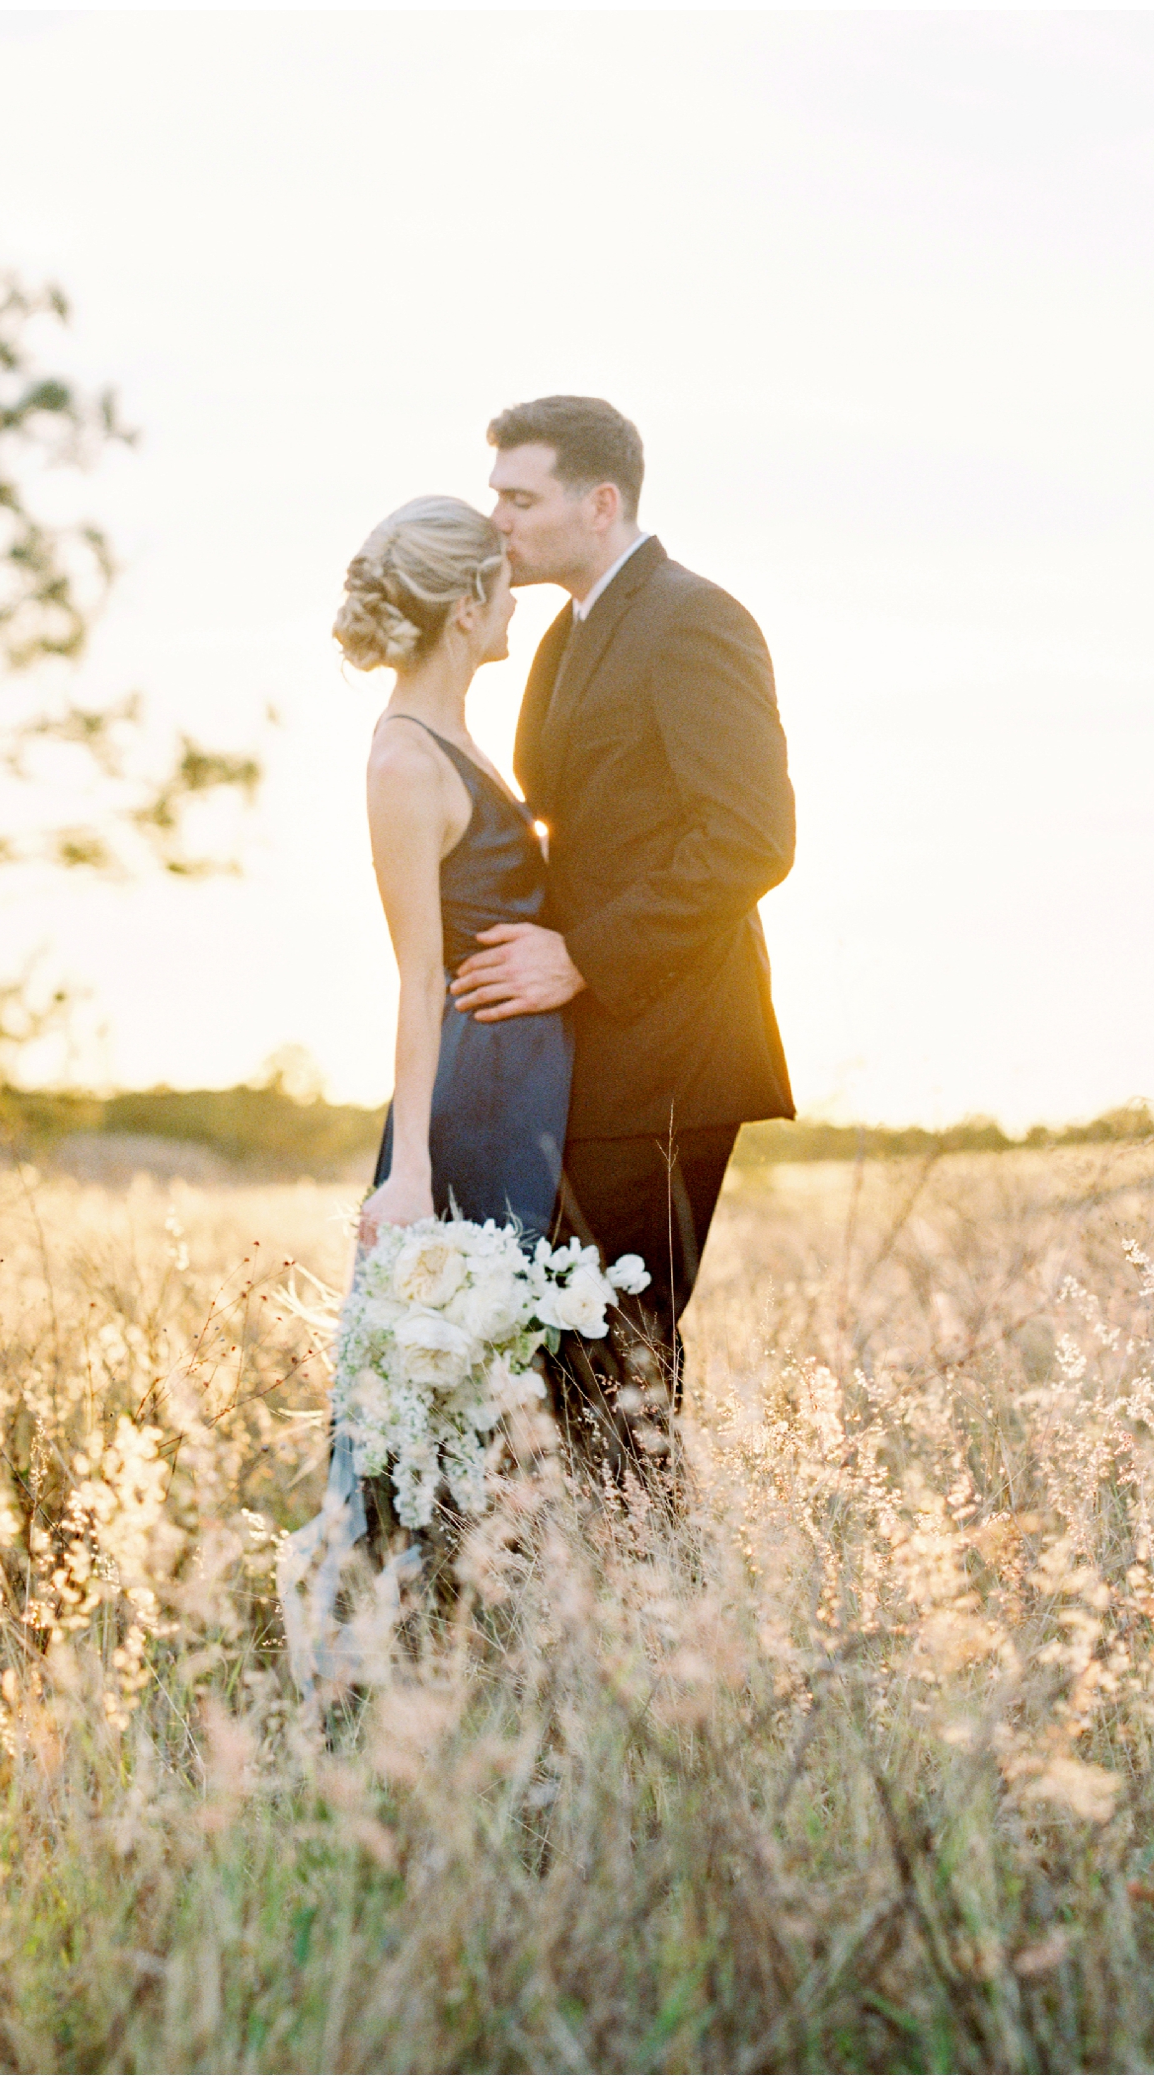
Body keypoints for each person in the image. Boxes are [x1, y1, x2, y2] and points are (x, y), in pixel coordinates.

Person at [450, 395, 796, 1461]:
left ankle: (657, 1608)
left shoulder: (695, 618)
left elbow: (751, 839)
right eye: (493, 496)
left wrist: (579, 956)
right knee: (574, 1348)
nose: (496, 521)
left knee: (618, 1355)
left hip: (676, 1049)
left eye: (520, 497)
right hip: (598, 1054)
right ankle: (607, 1603)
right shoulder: (566, 632)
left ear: (599, 503)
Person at [280, 494, 575, 1684]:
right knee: (426, 1373)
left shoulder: (453, 739)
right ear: (466, 608)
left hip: (520, 1084)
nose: (514, 600)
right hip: (469, 1102)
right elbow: (416, 980)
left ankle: (470, 1638)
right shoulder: (404, 756)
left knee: (493, 1369)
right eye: (500, 583)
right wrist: (409, 1173)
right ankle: (367, 1654)